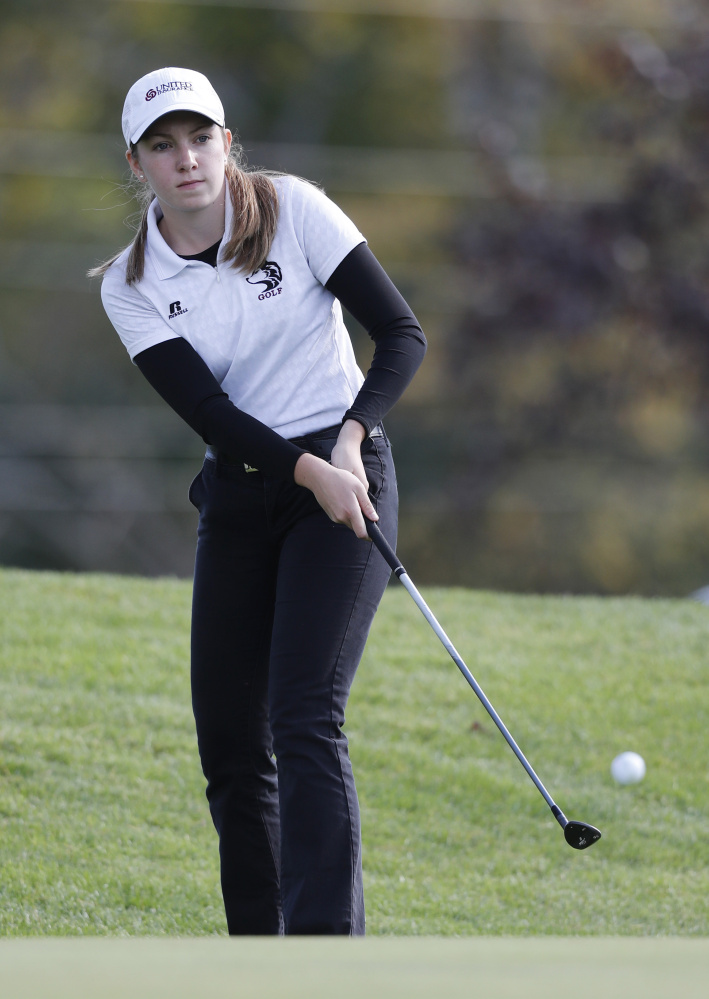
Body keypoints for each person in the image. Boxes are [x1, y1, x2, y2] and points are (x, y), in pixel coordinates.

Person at [91, 67, 426, 936]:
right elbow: (210, 412)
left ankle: (324, 958)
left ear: (227, 143)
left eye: (200, 138)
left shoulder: (291, 209)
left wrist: (347, 442)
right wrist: (304, 470)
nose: (186, 159)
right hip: (245, 494)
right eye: (163, 146)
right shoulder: (129, 284)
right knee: (233, 747)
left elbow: (399, 334)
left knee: (304, 714)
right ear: (138, 164)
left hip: (348, 476)